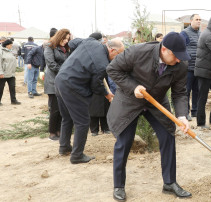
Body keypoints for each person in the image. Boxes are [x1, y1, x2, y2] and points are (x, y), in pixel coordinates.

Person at [107, 32, 192, 201]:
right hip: (130, 100)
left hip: (156, 102)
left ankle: (169, 182)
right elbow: (112, 69)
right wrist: (133, 87)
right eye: (176, 56)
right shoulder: (138, 52)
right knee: (124, 141)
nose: (178, 60)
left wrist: (182, 116)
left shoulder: (180, 64)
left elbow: (179, 93)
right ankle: (119, 185)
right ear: (164, 49)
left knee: (168, 135)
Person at [55, 36, 124, 164]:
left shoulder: (91, 42)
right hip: (73, 86)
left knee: (67, 117)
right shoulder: (102, 64)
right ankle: (77, 155)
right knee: (83, 121)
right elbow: (96, 85)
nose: (118, 58)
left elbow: (72, 42)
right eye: (119, 55)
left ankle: (64, 147)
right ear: (112, 50)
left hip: (60, 80)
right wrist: (107, 94)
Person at [44, 28, 71, 141]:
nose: (66, 41)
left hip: (63, 81)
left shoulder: (66, 49)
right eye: (64, 39)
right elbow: (51, 64)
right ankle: (52, 132)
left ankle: (59, 130)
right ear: (59, 37)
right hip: (53, 81)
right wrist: (65, 72)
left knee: (62, 108)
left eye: (67, 39)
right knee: (54, 108)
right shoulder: (49, 47)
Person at [180, 14, 201, 121]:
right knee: (186, 91)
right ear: (191, 21)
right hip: (187, 67)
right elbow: (180, 48)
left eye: (200, 20)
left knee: (197, 90)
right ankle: (185, 113)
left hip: (198, 67)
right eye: (197, 19)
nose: (199, 21)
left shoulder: (200, 34)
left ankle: (195, 111)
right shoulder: (185, 33)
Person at [0, 40, 21, 105]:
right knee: (1, 88)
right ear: (7, 45)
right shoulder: (1, 52)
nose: (11, 46)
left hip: (11, 74)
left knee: (12, 87)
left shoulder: (10, 52)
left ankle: (13, 100)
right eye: (11, 45)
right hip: (3, 74)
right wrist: (1, 72)